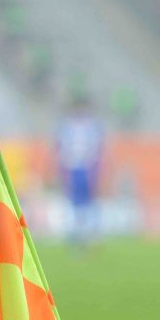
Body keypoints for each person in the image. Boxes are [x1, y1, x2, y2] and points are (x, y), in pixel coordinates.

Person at [54, 93, 106, 249]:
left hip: (87, 167)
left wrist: (96, 169)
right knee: (74, 202)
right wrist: (62, 170)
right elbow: (60, 149)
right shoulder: (66, 127)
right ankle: (77, 235)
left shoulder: (93, 126)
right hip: (72, 168)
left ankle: (91, 234)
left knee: (89, 201)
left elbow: (98, 149)